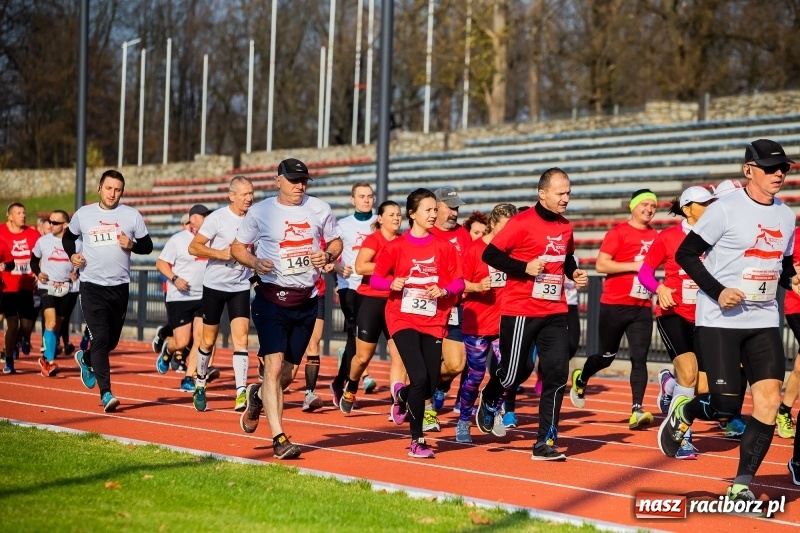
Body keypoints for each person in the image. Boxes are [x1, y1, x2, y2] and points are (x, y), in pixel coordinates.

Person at [663, 139, 798, 502]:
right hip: (720, 319)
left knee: (768, 401)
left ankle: (741, 484)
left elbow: (781, 263)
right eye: (771, 168)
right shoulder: (724, 209)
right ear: (748, 170)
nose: (779, 174)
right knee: (723, 406)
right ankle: (685, 411)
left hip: (764, 318)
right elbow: (686, 253)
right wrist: (719, 290)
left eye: (783, 168)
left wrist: (792, 278)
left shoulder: (786, 215)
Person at [234, 158, 342, 460]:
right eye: (294, 180)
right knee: (274, 366)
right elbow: (237, 247)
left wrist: (327, 253)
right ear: (277, 180)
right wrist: (255, 262)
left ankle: (256, 396)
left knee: (288, 375)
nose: (300, 186)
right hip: (270, 300)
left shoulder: (320, 208)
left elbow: (335, 241)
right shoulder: (260, 212)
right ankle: (279, 439)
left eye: (304, 180)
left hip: (306, 301)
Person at [478, 168, 587, 460]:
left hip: (554, 310)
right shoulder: (521, 223)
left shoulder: (565, 227)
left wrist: (573, 271)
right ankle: (490, 398)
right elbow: (490, 255)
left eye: (569, 193)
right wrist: (523, 267)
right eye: (560, 193)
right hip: (521, 309)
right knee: (514, 373)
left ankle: (544, 443)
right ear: (542, 194)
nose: (566, 198)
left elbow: (567, 257)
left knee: (556, 374)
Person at [371, 188, 464, 458]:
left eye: (436, 209)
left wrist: (445, 291)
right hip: (402, 316)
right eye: (428, 210)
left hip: (434, 319)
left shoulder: (444, 247)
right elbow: (376, 278)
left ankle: (401, 397)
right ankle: (417, 440)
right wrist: (392, 283)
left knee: (431, 382)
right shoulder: (396, 247)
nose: (434, 214)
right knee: (421, 376)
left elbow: (458, 281)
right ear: (412, 214)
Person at [63, 170, 153, 411]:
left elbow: (148, 245)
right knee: (101, 339)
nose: (113, 193)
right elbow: (68, 237)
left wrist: (131, 244)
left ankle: (86, 358)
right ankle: (106, 393)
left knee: (110, 342)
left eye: (118, 189)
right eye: (109, 188)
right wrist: (73, 255)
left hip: (119, 287)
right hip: (92, 286)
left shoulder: (131, 215)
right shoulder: (84, 214)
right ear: (99, 188)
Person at [569, 188, 659, 430]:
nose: (649, 209)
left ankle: (636, 410)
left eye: (653, 206)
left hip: (641, 306)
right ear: (633, 206)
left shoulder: (656, 236)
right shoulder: (618, 233)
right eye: (645, 204)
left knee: (639, 358)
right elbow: (601, 264)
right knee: (607, 356)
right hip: (614, 305)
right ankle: (582, 377)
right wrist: (635, 266)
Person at [637, 186, 715, 459]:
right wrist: (659, 289)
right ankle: (681, 435)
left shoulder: (718, 237)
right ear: (687, 208)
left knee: (705, 389)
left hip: (707, 316)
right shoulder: (668, 237)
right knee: (689, 375)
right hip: (674, 313)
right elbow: (645, 272)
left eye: (711, 202)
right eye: (704, 203)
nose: (710, 207)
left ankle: (670, 386)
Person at [188, 177, 254, 412]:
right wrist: (220, 253)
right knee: (208, 340)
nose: (249, 198)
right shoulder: (217, 218)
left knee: (242, 338)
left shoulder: (254, 218)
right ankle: (201, 383)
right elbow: (193, 247)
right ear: (232, 195)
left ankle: (240, 392)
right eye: (245, 194)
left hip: (240, 286)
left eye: (251, 193)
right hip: (214, 286)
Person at [456, 203, 517, 443]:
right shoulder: (474, 250)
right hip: (478, 322)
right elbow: (459, 283)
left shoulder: (513, 251)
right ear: (492, 224)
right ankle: (463, 421)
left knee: (508, 373)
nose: (508, 233)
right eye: (504, 227)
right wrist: (477, 286)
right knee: (476, 374)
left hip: (504, 323)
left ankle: (492, 409)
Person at [338, 201, 406, 414]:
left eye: (399, 214)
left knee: (400, 354)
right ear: (380, 218)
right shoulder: (374, 239)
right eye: (391, 214)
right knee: (363, 357)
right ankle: (351, 384)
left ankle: (397, 401)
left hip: (396, 301)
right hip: (370, 299)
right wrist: (389, 266)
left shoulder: (403, 241)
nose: (396, 218)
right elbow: (360, 266)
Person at [427, 186, 471, 431]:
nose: (454, 212)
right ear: (437, 206)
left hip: (457, 307)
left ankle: (426, 387)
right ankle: (425, 406)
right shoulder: (427, 233)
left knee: (456, 365)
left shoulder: (463, 235)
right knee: (426, 360)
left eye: (456, 207)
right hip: (430, 307)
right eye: (450, 207)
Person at [330, 182, 378, 404]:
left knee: (363, 340)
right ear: (353, 200)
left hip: (375, 285)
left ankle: (342, 379)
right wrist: (338, 268)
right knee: (353, 335)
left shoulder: (380, 222)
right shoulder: (342, 225)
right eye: (361, 196)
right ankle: (344, 383)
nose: (366, 200)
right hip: (350, 285)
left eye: (369, 196)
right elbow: (329, 254)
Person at [155, 205, 210, 392]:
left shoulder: (212, 239)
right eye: (203, 216)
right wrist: (175, 279)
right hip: (180, 297)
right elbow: (161, 263)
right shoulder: (178, 240)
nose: (207, 219)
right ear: (192, 218)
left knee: (201, 339)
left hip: (203, 296)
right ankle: (167, 350)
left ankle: (188, 377)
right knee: (182, 342)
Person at [30, 209, 80, 377]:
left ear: (65, 225)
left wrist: (77, 273)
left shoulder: (77, 244)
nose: (50, 225)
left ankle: (45, 357)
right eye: (50, 222)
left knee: (57, 325)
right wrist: (38, 273)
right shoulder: (43, 241)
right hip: (47, 286)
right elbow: (33, 261)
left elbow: (82, 264)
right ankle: (50, 362)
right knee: (50, 323)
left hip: (67, 288)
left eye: (55, 223)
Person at [0, 202, 41, 374]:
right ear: (9, 216)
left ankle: (20, 340)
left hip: (27, 286)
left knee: (26, 326)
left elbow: (41, 256)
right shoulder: (1, 232)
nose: (23, 215)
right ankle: (9, 359)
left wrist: (39, 273)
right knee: (12, 324)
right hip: (7, 287)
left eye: (24, 212)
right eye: (18, 213)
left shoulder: (33, 234)